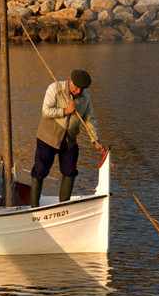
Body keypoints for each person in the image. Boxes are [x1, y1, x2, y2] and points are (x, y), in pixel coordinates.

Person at [25, 68, 102, 205]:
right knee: (40, 171)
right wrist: (65, 111)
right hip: (48, 138)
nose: (79, 92)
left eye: (82, 89)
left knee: (70, 171)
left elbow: (90, 120)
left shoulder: (85, 99)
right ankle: (34, 207)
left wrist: (95, 140)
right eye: (77, 88)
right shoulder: (54, 88)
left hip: (69, 141)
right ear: (70, 81)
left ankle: (64, 206)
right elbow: (45, 111)